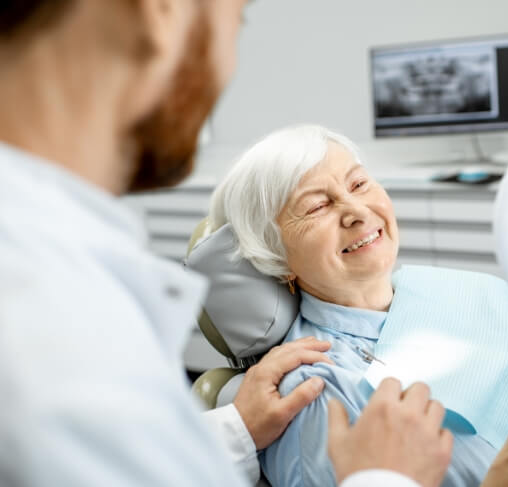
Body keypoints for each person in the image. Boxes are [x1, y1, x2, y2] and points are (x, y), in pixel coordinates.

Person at [0, 2, 452, 487]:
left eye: (359, 184)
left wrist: (234, 429)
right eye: (238, 18)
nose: (229, 63)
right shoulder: (45, 332)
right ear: (161, 11)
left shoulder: (56, 283)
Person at [209, 124, 508, 487]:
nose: (355, 211)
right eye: (316, 207)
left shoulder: (471, 289)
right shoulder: (314, 394)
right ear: (276, 257)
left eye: (358, 184)